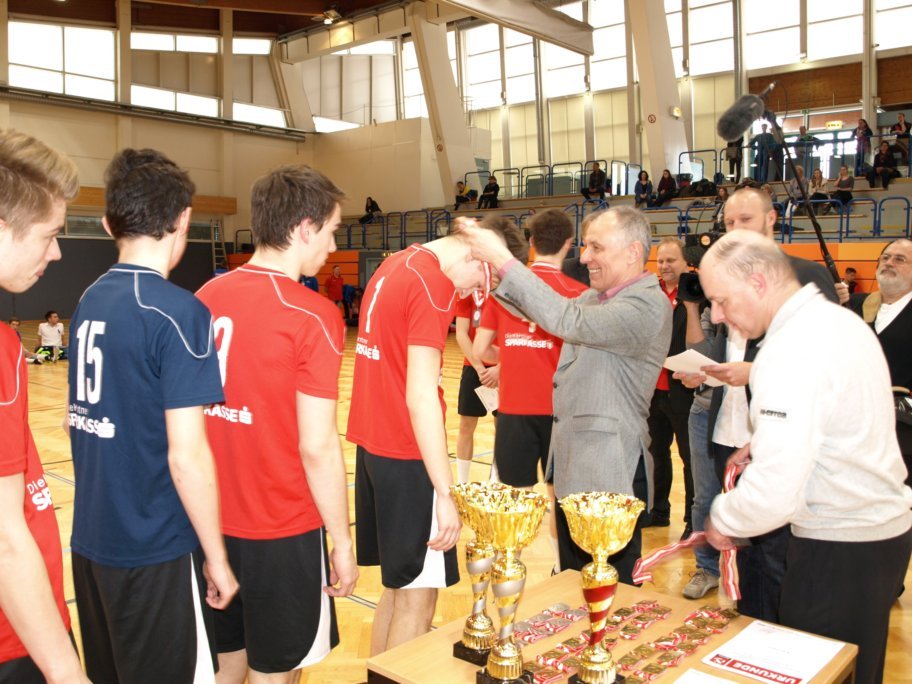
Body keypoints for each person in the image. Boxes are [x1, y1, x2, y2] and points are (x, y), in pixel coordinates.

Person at [701, 230, 911, 684]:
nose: (717, 314)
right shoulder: (836, 321)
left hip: (838, 544)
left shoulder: (790, 348)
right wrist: (767, 440)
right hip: (877, 535)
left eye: (721, 300)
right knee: (857, 670)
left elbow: (774, 492)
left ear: (758, 283)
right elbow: (840, 415)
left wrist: (724, 518)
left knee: (822, 672)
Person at [67, 148, 238, 683]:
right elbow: (187, 456)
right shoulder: (178, 312)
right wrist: (217, 557)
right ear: (183, 219)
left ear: (107, 223)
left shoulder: (89, 299)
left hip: (91, 544)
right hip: (153, 550)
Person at [196, 165, 357, 682]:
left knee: (226, 663)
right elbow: (317, 446)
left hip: (210, 523)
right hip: (281, 529)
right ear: (305, 228)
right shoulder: (312, 315)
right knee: (279, 671)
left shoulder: (204, 297)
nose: (333, 246)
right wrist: (342, 541)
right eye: (331, 230)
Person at [464, 206, 673, 583]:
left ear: (632, 252)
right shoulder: (598, 298)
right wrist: (492, 275)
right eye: (586, 246)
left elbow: (566, 320)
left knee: (610, 586)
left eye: (597, 247)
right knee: (576, 582)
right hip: (576, 466)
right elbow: (540, 311)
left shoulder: (645, 305)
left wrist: (501, 258)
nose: (585, 257)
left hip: (609, 471)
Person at [346, 217, 525, 655]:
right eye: (485, 281)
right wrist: (446, 492)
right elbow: (421, 394)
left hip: (373, 449)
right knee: (418, 600)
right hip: (408, 454)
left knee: (398, 590)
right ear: (478, 253)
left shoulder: (395, 264)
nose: (475, 292)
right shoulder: (432, 284)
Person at [673, 187, 847, 611]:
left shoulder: (804, 275)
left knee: (773, 552)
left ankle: (775, 629)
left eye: (745, 220)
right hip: (726, 428)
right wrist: (707, 371)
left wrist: (754, 372)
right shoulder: (726, 278)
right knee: (744, 550)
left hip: (777, 435)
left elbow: (825, 363)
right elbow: (728, 348)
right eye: (729, 222)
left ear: (772, 219)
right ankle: (750, 619)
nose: (736, 229)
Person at [0, 129, 88, 684]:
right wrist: (64, 670)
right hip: (17, 639)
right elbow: (5, 540)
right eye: (49, 235)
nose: (56, 252)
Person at [473, 209, 588, 571]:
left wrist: (511, 357)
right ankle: (561, 569)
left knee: (514, 500)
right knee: (560, 499)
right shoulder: (581, 295)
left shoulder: (505, 290)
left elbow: (480, 349)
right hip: (560, 412)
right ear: (569, 244)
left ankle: (508, 571)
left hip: (515, 409)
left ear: (533, 242)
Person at [453, 217, 528, 485]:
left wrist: (499, 368)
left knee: (501, 427)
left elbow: (517, 337)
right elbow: (461, 333)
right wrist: (479, 367)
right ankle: (462, 483)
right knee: (466, 425)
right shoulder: (468, 292)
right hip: (473, 368)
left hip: (501, 370)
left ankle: (495, 480)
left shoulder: (510, 294)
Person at [850, 239, 912, 487]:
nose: (889, 263)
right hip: (853, 430)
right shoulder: (855, 305)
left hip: (903, 436)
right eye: (885, 257)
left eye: (900, 259)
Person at [646, 238, 696, 534]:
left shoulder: (696, 294)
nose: (664, 266)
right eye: (661, 261)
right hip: (653, 389)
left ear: (685, 262)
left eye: (671, 260)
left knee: (690, 457)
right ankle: (658, 510)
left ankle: (692, 518)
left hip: (684, 389)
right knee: (655, 453)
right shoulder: (651, 294)